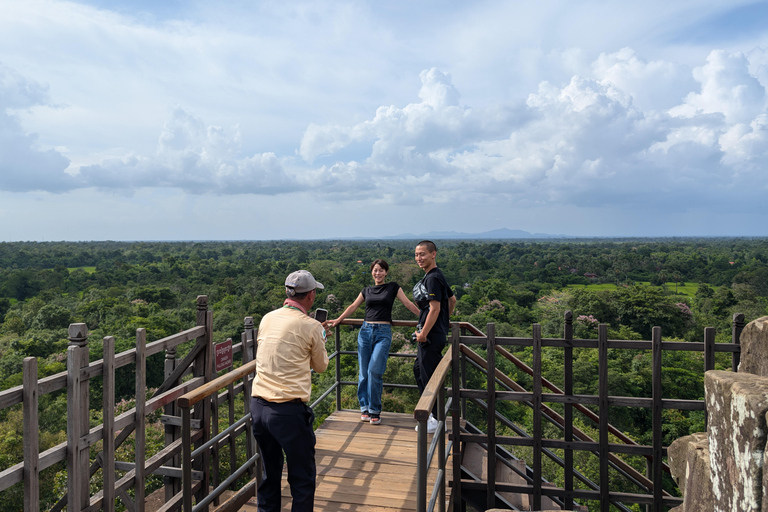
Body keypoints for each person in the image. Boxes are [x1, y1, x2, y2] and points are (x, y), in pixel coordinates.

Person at [250, 270, 329, 512]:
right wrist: (320, 336)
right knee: (302, 477)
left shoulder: (267, 318)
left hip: (259, 406)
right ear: (311, 296)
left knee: (269, 474)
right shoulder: (312, 326)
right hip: (288, 410)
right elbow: (321, 366)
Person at [329, 259, 420, 425]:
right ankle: (364, 407)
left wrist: (425, 317)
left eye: (381, 270)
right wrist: (338, 319)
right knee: (363, 372)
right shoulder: (366, 290)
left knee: (374, 371)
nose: (377, 273)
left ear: (386, 272)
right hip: (365, 332)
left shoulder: (393, 287)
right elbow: (353, 306)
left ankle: (375, 410)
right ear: (372, 272)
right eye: (375, 270)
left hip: (383, 333)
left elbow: (407, 304)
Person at [412, 240, 456, 433]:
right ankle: (432, 415)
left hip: (429, 336)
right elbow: (452, 299)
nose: (419, 258)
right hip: (435, 332)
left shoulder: (432, 278)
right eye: (416, 255)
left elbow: (435, 308)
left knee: (429, 376)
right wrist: (445, 322)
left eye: (423, 254)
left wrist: (424, 334)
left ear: (433, 254)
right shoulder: (436, 276)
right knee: (419, 370)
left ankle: (437, 420)